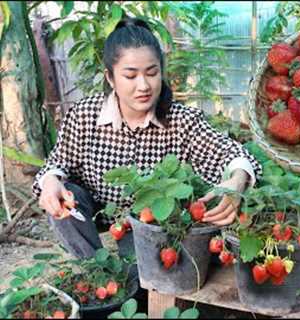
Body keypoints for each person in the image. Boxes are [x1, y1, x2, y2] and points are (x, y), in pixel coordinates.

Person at [32, 17, 261, 259]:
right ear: (110, 78)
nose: (143, 86)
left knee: (141, 274)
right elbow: (56, 164)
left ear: (161, 71)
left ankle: (134, 281)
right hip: (100, 213)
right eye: (130, 76)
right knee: (66, 195)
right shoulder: (85, 115)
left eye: (152, 73)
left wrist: (237, 181)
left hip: (152, 224)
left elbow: (233, 154)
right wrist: (50, 183)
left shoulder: (182, 121)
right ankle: (94, 267)